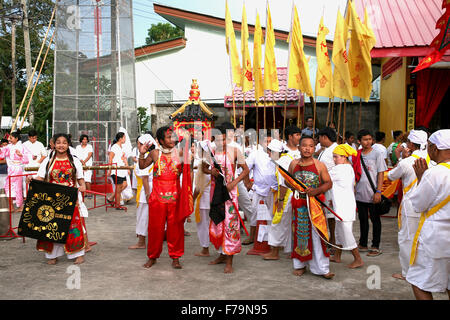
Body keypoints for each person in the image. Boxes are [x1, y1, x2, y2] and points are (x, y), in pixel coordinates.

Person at [406, 129, 450, 300]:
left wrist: (421, 178)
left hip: (435, 236)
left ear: (435, 149)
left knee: (418, 281)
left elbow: (418, 204)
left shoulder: (434, 173)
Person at [138, 126, 190, 269]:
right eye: (168, 137)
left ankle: (176, 257)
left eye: (173, 136)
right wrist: (141, 154)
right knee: (155, 229)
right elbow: (142, 166)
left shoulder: (180, 153)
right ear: (161, 140)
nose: (172, 139)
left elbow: (186, 175)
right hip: (157, 198)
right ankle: (152, 257)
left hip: (175, 197)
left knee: (176, 229)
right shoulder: (155, 153)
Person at [35, 133, 86, 265]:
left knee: (72, 227)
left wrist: (83, 186)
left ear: (68, 144)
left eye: (64, 142)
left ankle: (78, 254)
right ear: (54, 144)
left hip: (70, 199)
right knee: (53, 227)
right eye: (58, 142)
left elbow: (81, 180)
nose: (61, 145)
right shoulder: (47, 161)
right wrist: (32, 181)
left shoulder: (74, 160)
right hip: (52, 199)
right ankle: (53, 255)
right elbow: (40, 178)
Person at [288, 136, 334, 279]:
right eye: (304, 146)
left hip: (315, 205)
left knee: (318, 234)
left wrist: (316, 191)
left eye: (311, 146)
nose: (307, 148)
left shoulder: (320, 165)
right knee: (300, 234)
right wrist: (296, 187)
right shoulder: (293, 163)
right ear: (299, 147)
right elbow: (287, 180)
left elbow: (328, 183)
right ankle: (300, 265)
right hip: (299, 205)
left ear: (315, 148)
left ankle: (322, 268)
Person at [204, 125, 249, 273]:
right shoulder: (209, 152)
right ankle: (221, 255)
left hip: (230, 194)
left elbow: (246, 170)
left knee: (231, 225)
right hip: (215, 193)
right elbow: (203, 168)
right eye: (217, 140)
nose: (221, 143)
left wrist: (233, 183)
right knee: (218, 223)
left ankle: (229, 260)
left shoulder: (235, 151)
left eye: (223, 139)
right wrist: (211, 171)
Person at [387, 130, 429, 280]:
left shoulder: (406, 162)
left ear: (410, 144)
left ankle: (407, 272)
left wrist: (401, 158)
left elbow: (392, 176)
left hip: (411, 205)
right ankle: (424, 270)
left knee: (406, 239)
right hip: (430, 205)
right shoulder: (434, 160)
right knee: (425, 238)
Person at [265, 125, 301, 260]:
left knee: (278, 222)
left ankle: (275, 252)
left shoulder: (285, 159)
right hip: (291, 194)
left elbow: (283, 183)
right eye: (296, 134)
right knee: (285, 223)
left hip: (289, 195)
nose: (299, 137)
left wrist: (280, 200)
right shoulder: (285, 157)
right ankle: (286, 250)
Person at [353, 129, 387, 257]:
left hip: (373, 193)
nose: (368, 142)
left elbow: (381, 173)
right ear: (359, 141)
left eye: (369, 139)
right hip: (360, 193)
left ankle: (375, 245)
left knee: (375, 219)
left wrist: (378, 191)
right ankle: (363, 243)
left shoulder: (377, 154)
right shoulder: (356, 154)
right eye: (365, 139)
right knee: (362, 219)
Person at [328, 144, 364, 268]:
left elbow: (324, 177)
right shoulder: (348, 168)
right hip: (343, 204)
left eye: (336, 157)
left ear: (344, 157)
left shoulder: (340, 169)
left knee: (346, 232)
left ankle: (358, 258)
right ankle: (337, 256)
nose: (334, 159)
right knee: (339, 231)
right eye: (333, 157)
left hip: (344, 206)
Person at [221, 122, 254, 245]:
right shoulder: (215, 146)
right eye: (228, 132)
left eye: (232, 132)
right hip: (221, 184)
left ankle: (254, 232)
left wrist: (246, 182)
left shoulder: (236, 147)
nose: (231, 134)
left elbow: (243, 167)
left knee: (247, 206)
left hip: (236, 181)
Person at [243, 134, 278, 249]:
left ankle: (272, 240)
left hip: (272, 189)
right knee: (254, 213)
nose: (267, 143)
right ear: (261, 142)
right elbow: (246, 168)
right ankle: (252, 236)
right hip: (258, 188)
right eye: (266, 141)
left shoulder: (276, 153)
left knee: (272, 214)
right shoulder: (256, 153)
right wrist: (247, 183)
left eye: (270, 141)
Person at [129, 135, 154, 250]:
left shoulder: (147, 158)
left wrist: (148, 194)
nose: (138, 146)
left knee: (143, 216)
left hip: (146, 190)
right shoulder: (152, 156)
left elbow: (144, 177)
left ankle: (141, 242)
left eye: (139, 143)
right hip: (149, 189)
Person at [317, 127, 338, 249]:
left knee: (332, 216)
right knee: (328, 215)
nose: (319, 141)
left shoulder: (335, 150)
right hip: (324, 186)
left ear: (324, 137)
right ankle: (329, 239)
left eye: (320, 138)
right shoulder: (326, 150)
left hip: (332, 187)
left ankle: (333, 241)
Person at [0, 130, 30, 212]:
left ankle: (20, 206)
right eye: (9, 138)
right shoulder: (9, 146)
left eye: (11, 138)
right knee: (8, 187)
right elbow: (2, 152)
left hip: (17, 168)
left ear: (16, 138)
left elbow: (28, 158)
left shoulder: (22, 146)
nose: (9, 139)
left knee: (17, 188)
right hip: (11, 168)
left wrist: (21, 155)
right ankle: (11, 207)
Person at [107, 132, 128, 209]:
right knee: (118, 189)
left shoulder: (121, 147)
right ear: (120, 138)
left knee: (125, 185)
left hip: (121, 170)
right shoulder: (114, 147)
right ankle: (117, 205)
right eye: (124, 137)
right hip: (116, 170)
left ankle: (111, 198)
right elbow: (110, 158)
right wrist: (109, 169)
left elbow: (121, 158)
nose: (125, 139)